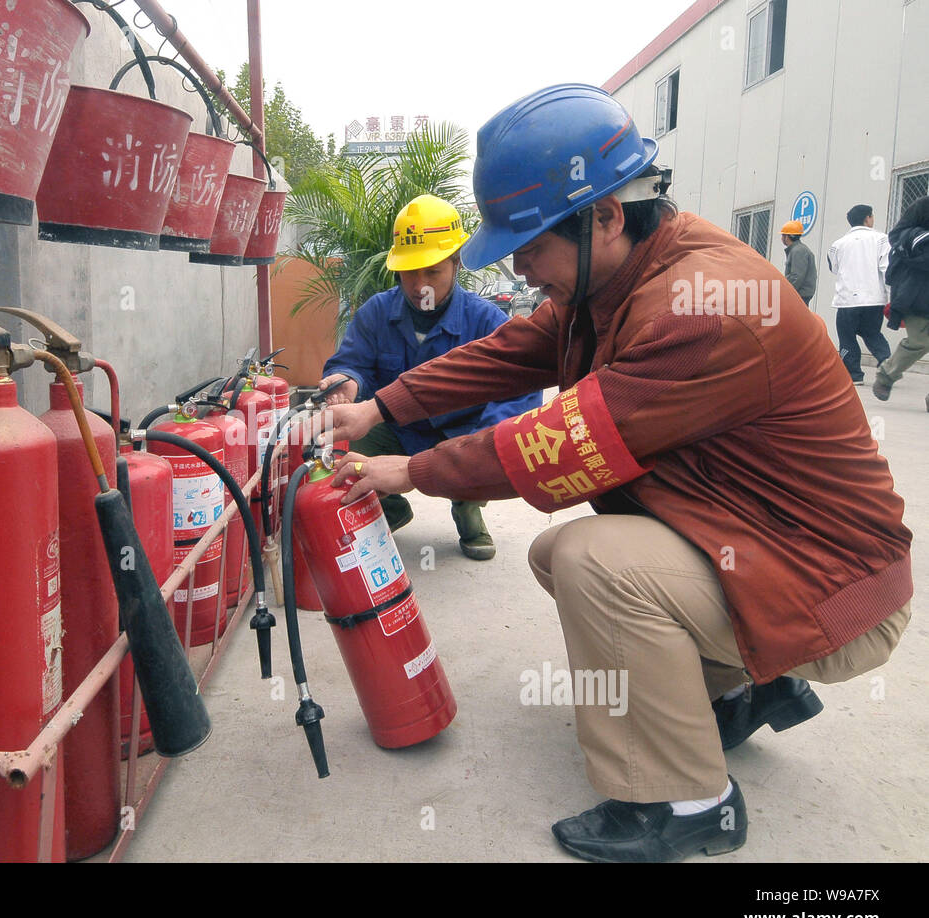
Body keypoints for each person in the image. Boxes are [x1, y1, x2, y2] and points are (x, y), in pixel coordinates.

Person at [316, 84, 911, 863]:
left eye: (530, 245)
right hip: (767, 547)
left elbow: (558, 443)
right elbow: (511, 351)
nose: (523, 269)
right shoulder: (621, 274)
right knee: (555, 554)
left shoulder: (696, 307)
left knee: (596, 563)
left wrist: (409, 469)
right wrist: (380, 405)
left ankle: (689, 800)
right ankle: (744, 688)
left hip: (834, 585)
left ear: (603, 216)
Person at [316, 193, 541, 561]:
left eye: (432, 271)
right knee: (346, 445)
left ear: (456, 264)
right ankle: (386, 508)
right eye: (409, 272)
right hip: (397, 428)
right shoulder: (376, 312)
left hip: (460, 431)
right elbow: (351, 361)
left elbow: (515, 400)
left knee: (489, 445)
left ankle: (467, 508)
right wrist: (347, 380)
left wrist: (482, 448)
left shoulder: (487, 322)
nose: (420, 284)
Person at [872, 196, 929, 407]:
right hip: (915, 290)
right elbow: (896, 236)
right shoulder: (922, 207)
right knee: (920, 341)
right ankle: (886, 375)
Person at [827, 204, 891, 384]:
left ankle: (854, 375)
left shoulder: (837, 244)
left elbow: (834, 268)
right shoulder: (882, 239)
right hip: (873, 299)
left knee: (846, 337)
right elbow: (887, 269)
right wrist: (890, 296)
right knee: (872, 333)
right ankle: (886, 361)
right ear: (868, 218)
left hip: (847, 300)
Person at [779, 220, 817, 307]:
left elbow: (796, 276)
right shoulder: (797, 249)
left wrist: (786, 293)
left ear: (787, 237)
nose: (781, 238)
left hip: (799, 295)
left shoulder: (798, 251)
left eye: (783, 235)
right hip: (800, 295)